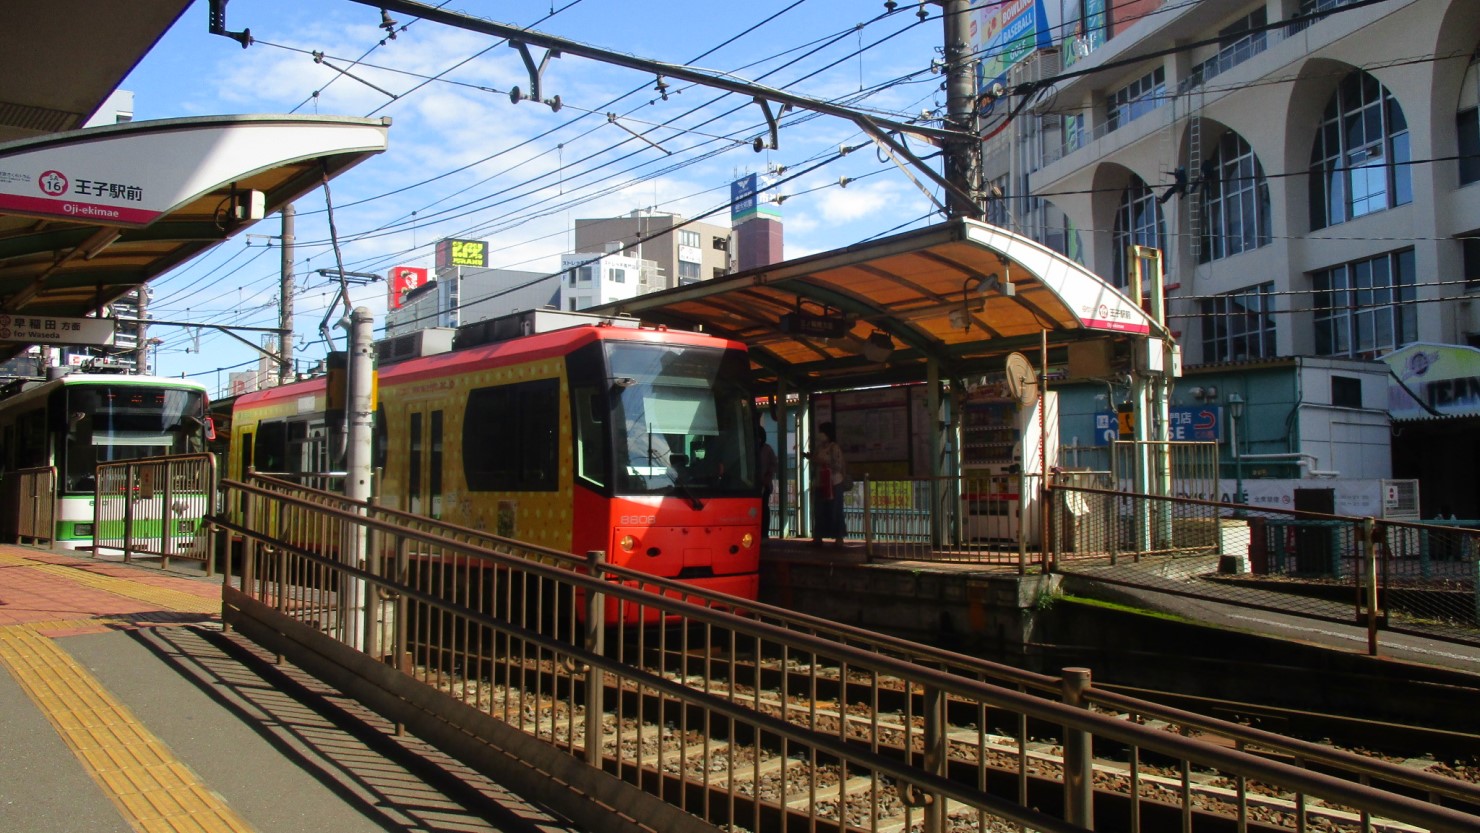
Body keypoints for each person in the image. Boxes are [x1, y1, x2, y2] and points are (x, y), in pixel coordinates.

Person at [805, 421, 847, 546]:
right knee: (819, 511)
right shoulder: (819, 448)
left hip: (834, 483)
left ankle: (839, 537)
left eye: (822, 431)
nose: (820, 434)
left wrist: (822, 461)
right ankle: (818, 537)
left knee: (835, 510)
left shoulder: (834, 447)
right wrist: (812, 458)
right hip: (820, 482)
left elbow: (838, 466)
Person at [757, 427, 778, 538]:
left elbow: (773, 465)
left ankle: (764, 533)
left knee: (764, 508)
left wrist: (768, 476)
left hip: (765, 484)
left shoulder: (767, 449)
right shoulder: (751, 448)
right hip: (753, 486)